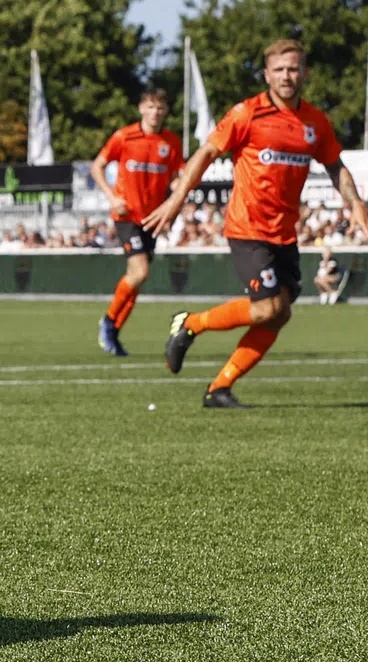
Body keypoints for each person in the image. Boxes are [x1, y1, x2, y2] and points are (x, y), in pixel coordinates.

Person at [145, 39, 368, 408]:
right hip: (248, 228)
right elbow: (206, 152)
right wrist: (176, 199)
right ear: (266, 75)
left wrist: (355, 202)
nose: (287, 76)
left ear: (305, 73)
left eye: (294, 68)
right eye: (279, 70)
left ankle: (219, 389)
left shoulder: (315, 121)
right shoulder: (247, 114)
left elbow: (334, 164)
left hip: (285, 233)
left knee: (279, 315)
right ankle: (190, 323)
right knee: (267, 308)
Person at [91, 89, 184, 357]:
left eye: (160, 108)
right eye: (151, 107)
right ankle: (108, 322)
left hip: (152, 218)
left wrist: (172, 208)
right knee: (139, 272)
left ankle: (114, 332)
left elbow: (177, 178)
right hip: (127, 215)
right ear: (141, 108)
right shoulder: (125, 136)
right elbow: (97, 166)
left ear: (165, 112)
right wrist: (111, 197)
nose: (155, 112)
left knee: (137, 280)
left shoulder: (171, 142)